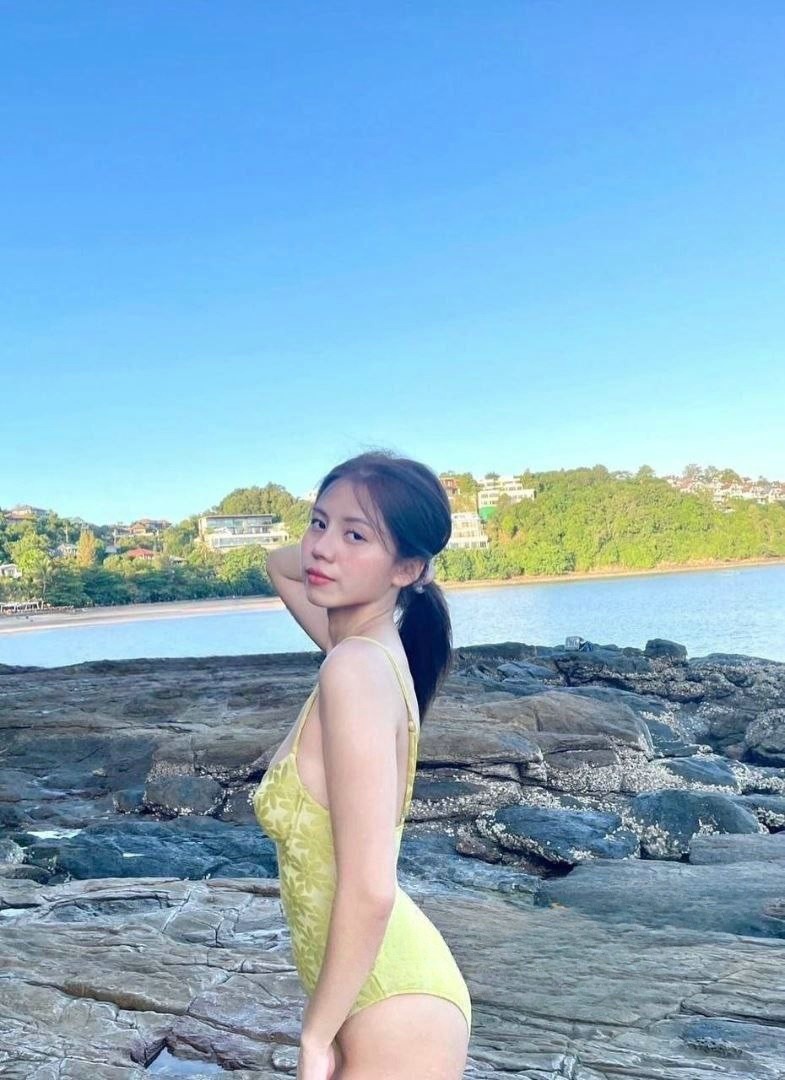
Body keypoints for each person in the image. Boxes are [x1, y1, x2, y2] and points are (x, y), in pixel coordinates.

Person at [253, 449, 472, 1079]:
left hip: (391, 1012)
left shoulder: (354, 668)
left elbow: (372, 887)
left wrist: (314, 1036)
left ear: (408, 567)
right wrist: (345, 540)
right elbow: (279, 564)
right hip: (387, 999)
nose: (322, 549)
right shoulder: (359, 649)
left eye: (356, 536)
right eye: (317, 523)